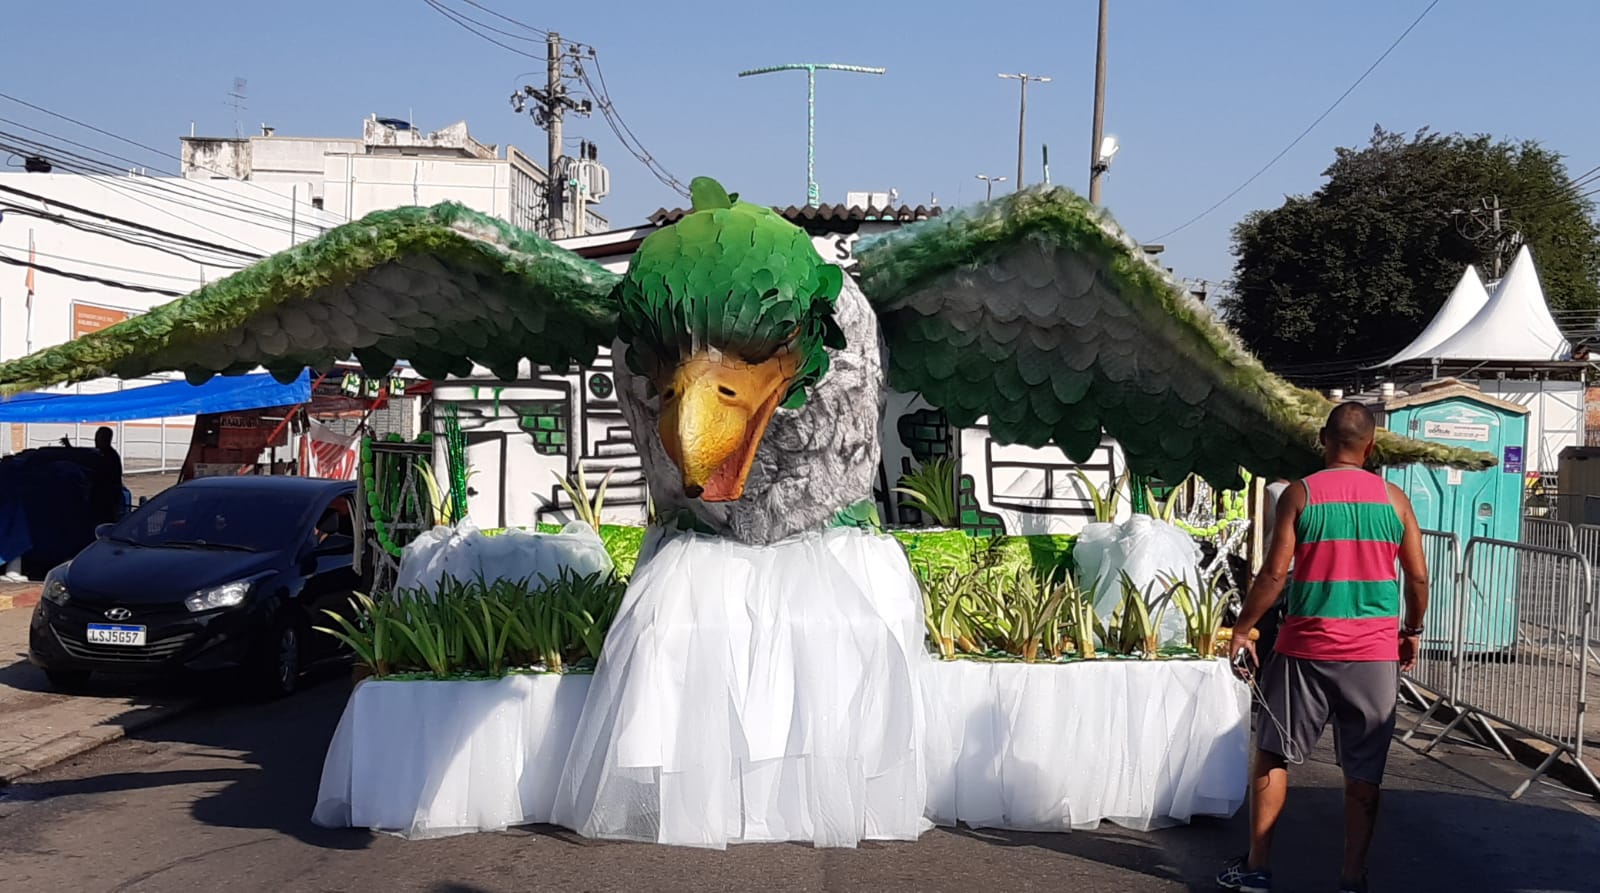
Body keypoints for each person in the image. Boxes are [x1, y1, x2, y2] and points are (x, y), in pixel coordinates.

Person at [1217, 403, 1429, 893]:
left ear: (1322, 438)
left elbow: (1274, 574)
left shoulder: (1300, 494)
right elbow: (1417, 577)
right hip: (1373, 654)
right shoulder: (1394, 500)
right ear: (1371, 447)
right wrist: (1411, 630)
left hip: (1304, 649)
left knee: (1273, 753)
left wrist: (1243, 628)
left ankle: (1257, 867)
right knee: (1364, 769)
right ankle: (1352, 877)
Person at [91, 426, 124, 524]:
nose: (96, 440)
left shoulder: (108, 456)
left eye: (99, 437)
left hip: (106, 496)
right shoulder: (105, 454)